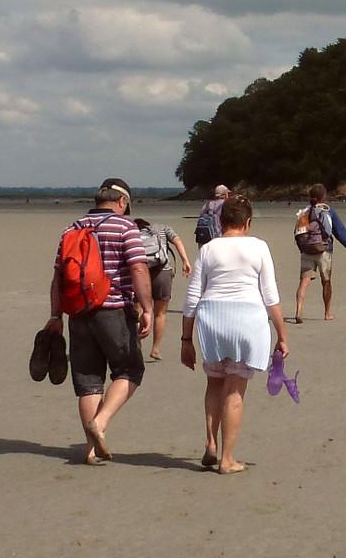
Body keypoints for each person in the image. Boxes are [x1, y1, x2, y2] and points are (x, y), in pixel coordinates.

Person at [45, 178, 151, 465]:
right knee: (130, 369)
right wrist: (148, 307)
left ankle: (89, 451)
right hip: (114, 310)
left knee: (89, 381)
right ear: (122, 203)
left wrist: (56, 315)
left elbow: (57, 278)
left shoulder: (72, 228)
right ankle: (100, 422)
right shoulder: (125, 227)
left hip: (78, 313)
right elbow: (139, 268)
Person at [179, 195, 288, 473]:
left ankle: (210, 444)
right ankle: (227, 459)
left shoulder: (208, 249)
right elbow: (270, 296)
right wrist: (282, 335)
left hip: (212, 318)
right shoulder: (259, 247)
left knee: (215, 382)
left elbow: (193, 296)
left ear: (220, 220)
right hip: (247, 319)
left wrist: (186, 339)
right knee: (235, 388)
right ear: (247, 222)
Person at [291, 184, 346, 323]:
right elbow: (339, 230)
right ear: (324, 196)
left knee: (304, 282)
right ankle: (327, 313)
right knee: (326, 282)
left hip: (306, 250)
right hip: (324, 250)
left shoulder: (304, 212)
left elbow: (298, 232)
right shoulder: (328, 211)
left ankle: (299, 310)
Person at [133, 215, 190, 361]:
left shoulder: (131, 232)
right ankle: (156, 349)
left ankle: (135, 345)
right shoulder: (161, 228)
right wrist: (185, 260)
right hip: (162, 271)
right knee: (160, 313)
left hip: (139, 271)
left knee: (137, 310)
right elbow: (177, 241)